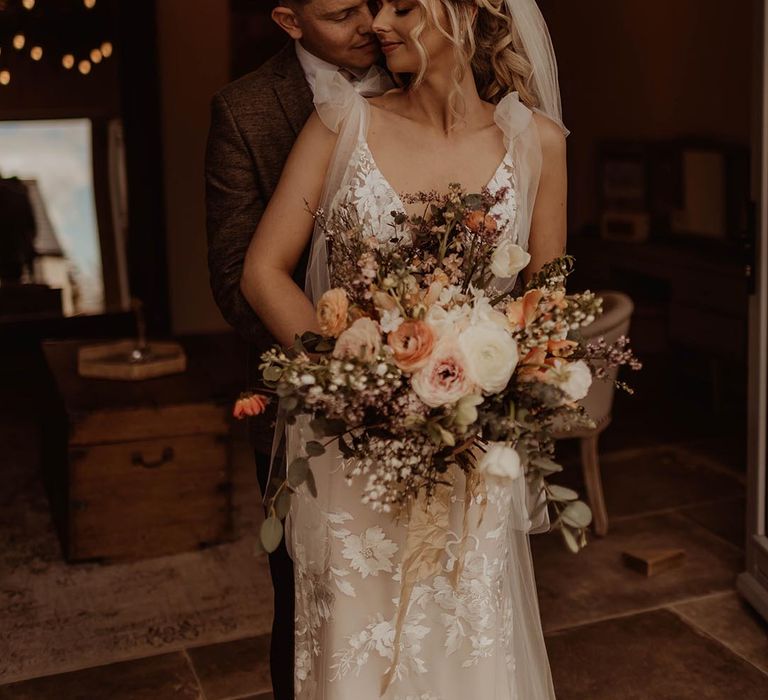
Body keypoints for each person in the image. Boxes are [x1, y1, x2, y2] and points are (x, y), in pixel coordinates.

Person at [241, 0, 568, 696]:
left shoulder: (538, 141)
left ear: (470, 7)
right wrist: (355, 385)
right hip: (355, 454)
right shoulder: (341, 124)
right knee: (359, 656)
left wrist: (497, 391)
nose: (380, 22)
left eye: (404, 4)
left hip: (469, 460)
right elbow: (262, 272)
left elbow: (544, 304)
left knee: (466, 645)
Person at [205, 2, 392, 698]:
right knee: (309, 603)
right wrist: (341, 368)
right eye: (341, 13)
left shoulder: (415, 72)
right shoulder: (245, 111)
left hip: (428, 379)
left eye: (369, 1)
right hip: (304, 406)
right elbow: (235, 279)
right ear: (289, 21)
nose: (370, 23)